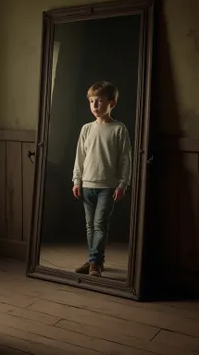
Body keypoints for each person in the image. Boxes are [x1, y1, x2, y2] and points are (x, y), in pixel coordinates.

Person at [72, 81, 131, 277]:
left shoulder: (118, 129)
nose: (95, 105)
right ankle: (94, 261)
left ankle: (95, 263)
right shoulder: (86, 129)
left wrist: (123, 184)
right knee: (90, 226)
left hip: (108, 186)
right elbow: (80, 157)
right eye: (91, 101)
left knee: (99, 224)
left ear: (111, 103)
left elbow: (125, 160)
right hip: (87, 184)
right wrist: (76, 180)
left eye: (99, 101)